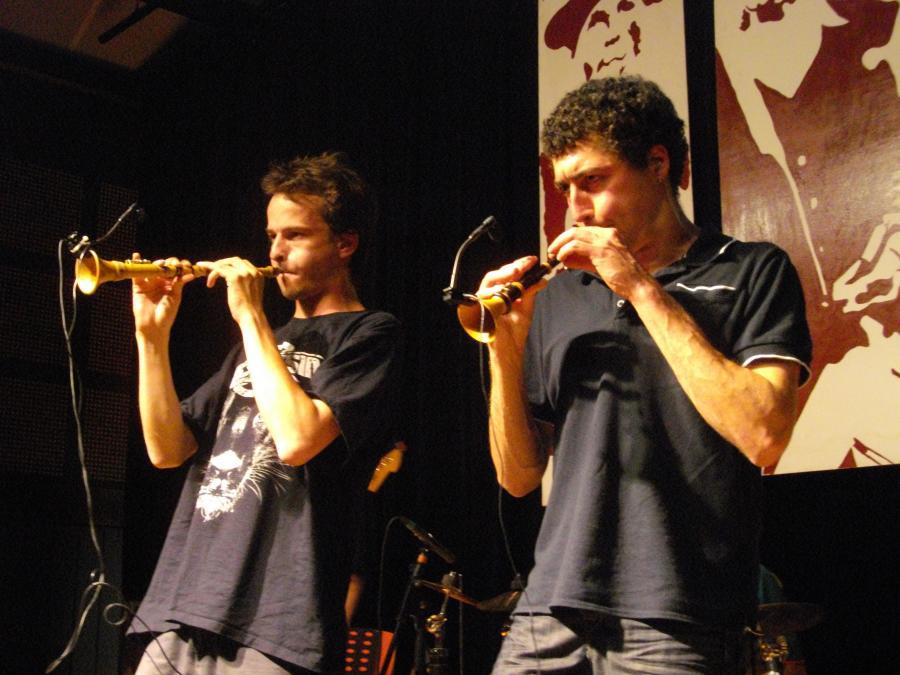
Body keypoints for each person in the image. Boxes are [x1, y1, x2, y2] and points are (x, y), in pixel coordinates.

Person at [483, 76, 812, 672]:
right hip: (548, 604)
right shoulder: (559, 297)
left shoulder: (751, 270)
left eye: (593, 181)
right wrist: (505, 344)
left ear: (658, 164)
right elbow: (517, 477)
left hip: (677, 612)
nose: (575, 208)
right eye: (564, 188)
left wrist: (638, 285)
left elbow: (764, 434)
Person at [125, 151, 402, 674]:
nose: (275, 251)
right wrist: (151, 337)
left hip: (276, 623)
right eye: (272, 235)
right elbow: (166, 449)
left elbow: (298, 440)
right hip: (184, 601)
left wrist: (250, 316)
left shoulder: (371, 334)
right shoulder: (258, 346)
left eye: (295, 235)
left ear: (345, 244)